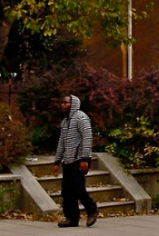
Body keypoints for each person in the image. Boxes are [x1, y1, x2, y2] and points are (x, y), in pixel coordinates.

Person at [53, 94, 98, 227]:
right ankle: (72, 218)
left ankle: (92, 210)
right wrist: (57, 161)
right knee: (67, 190)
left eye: (65, 102)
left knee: (78, 187)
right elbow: (61, 142)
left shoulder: (81, 118)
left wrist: (84, 158)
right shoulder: (65, 122)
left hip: (79, 159)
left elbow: (87, 138)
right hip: (68, 160)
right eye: (62, 102)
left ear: (73, 104)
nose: (63, 105)